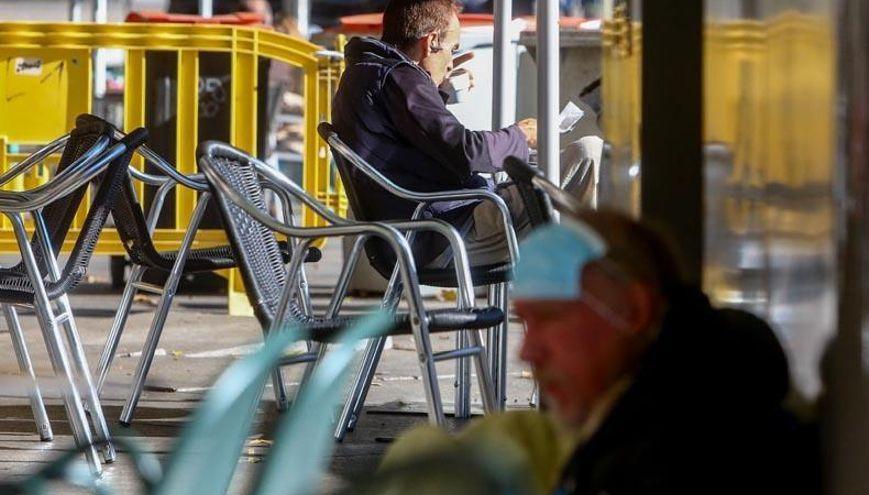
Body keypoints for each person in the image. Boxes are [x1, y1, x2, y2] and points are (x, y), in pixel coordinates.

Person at [377, 209, 814, 494]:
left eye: (550, 318)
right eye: (525, 322)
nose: (528, 351)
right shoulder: (673, 394)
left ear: (633, 309)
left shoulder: (671, 458)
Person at [331, 0, 600, 268]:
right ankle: (582, 280)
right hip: (449, 233)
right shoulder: (399, 79)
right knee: (586, 151)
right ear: (431, 40)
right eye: (452, 48)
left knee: (557, 176)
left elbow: (422, 141)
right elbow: (469, 152)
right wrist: (520, 135)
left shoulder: (367, 73)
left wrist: (437, 88)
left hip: (421, 230)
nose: (450, 60)